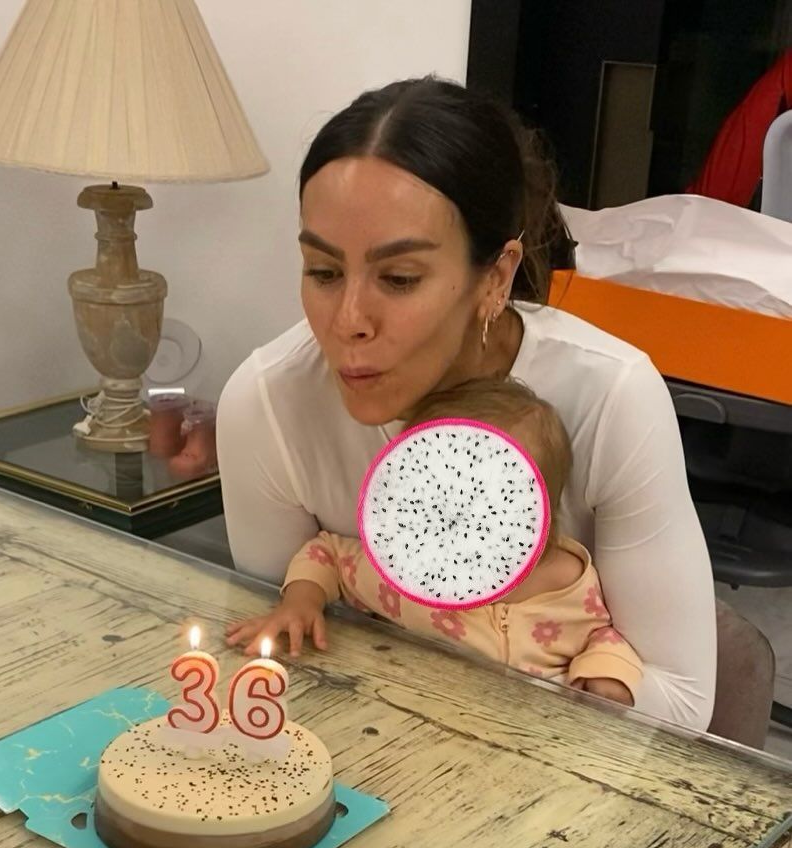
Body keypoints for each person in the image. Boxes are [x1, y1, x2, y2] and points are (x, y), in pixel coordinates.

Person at [216, 76, 716, 730]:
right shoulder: (267, 403)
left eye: (398, 278)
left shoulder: (608, 395)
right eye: (324, 271)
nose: (348, 321)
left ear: (495, 276)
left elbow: (680, 701)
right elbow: (284, 652)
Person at [228, 376, 644, 705]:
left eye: (488, 504)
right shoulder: (406, 579)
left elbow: (602, 636)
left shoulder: (568, 583)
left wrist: (607, 674)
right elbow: (329, 555)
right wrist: (301, 601)